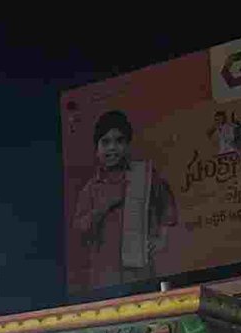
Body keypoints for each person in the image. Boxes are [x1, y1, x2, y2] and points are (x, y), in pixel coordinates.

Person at [72, 110, 177, 290]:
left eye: (119, 141)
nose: (112, 148)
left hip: (140, 273)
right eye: (105, 142)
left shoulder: (143, 175)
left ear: (128, 145)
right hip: (105, 277)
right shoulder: (91, 188)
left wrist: (161, 239)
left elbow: (167, 206)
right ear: (97, 149)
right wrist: (103, 207)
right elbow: (80, 230)